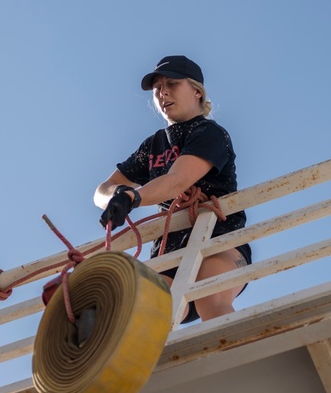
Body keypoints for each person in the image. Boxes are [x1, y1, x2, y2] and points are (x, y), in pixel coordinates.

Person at [95, 55, 252, 323]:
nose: (163, 92)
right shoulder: (153, 145)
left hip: (218, 241)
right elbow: (103, 189)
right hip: (168, 252)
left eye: (172, 83)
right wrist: (115, 196)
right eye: (157, 88)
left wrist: (133, 197)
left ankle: (235, 353)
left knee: (210, 296)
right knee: (144, 315)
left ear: (197, 92)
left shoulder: (211, 134)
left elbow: (177, 181)